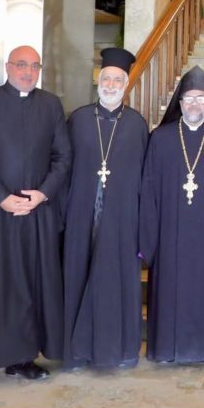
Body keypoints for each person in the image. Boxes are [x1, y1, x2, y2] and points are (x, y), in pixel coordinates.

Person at [0, 45, 72, 395]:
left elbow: (63, 156)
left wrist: (42, 194)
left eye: (34, 66)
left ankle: (22, 358)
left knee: (28, 286)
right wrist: (2, 198)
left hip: (36, 214)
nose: (28, 72)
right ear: (7, 66)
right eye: (21, 65)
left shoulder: (50, 105)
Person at [139, 66, 204, 364]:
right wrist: (147, 241)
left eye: (201, 98)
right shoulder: (160, 138)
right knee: (169, 293)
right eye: (189, 99)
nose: (195, 104)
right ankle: (167, 350)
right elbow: (148, 192)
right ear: (180, 103)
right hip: (169, 237)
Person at [61, 48, 148, 370]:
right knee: (78, 277)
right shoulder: (79, 119)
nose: (111, 85)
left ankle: (121, 350)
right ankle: (76, 352)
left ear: (126, 85)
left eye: (117, 80)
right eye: (106, 78)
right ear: (99, 81)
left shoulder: (137, 124)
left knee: (116, 282)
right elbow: (64, 168)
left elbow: (144, 177)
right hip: (81, 213)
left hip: (122, 218)